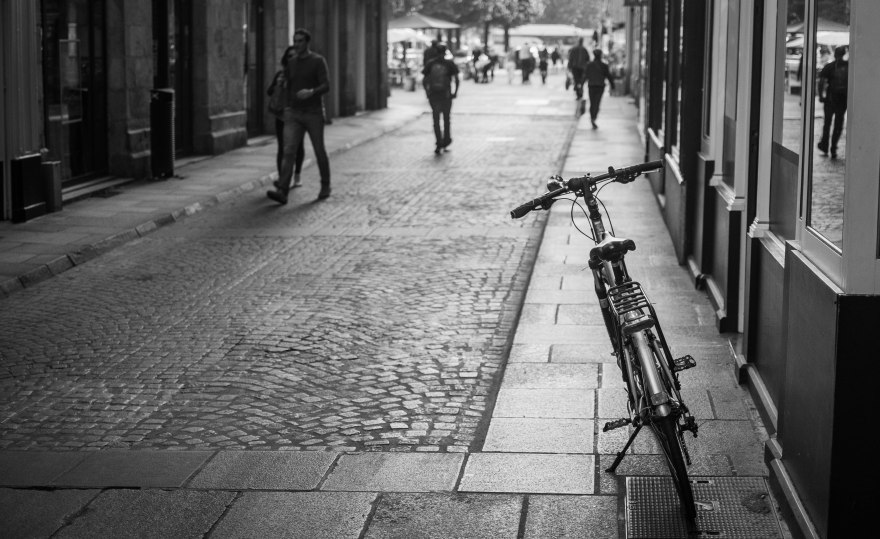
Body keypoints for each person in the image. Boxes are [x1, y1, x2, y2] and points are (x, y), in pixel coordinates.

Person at [267, 28, 331, 205]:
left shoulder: (318, 61)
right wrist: (284, 93)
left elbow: (326, 85)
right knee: (288, 151)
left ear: (307, 42)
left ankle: (325, 185)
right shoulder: (292, 63)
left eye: (300, 41)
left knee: (319, 150)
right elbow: (287, 87)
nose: (297, 44)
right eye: (295, 41)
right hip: (293, 113)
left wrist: (311, 92)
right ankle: (283, 191)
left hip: (313, 112)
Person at [267, 46, 305, 188]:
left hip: (298, 116)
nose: (292, 58)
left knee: (298, 147)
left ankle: (297, 175)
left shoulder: (304, 75)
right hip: (282, 116)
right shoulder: (280, 74)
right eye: (289, 56)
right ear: (286, 59)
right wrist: (278, 84)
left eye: (294, 56)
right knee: (282, 148)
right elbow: (269, 91)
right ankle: (282, 178)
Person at [421, 44, 459, 154]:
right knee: (447, 119)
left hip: (434, 95)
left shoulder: (430, 63)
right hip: (446, 95)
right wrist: (455, 92)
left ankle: (438, 142)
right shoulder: (449, 64)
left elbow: (424, 80)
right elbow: (456, 79)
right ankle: (446, 140)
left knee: (436, 120)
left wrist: (427, 92)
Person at [817, 45, 848, 159]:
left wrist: (821, 96)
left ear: (835, 55)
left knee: (827, 123)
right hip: (843, 100)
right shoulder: (849, 67)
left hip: (830, 99)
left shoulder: (829, 67)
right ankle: (833, 148)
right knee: (838, 124)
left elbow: (821, 83)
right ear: (844, 54)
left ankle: (824, 145)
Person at [584, 49, 615, 129]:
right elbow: (609, 76)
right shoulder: (603, 65)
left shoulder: (589, 65)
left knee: (592, 103)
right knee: (596, 103)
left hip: (592, 86)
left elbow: (585, 76)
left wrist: (581, 84)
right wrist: (613, 85)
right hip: (599, 86)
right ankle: (593, 118)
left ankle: (592, 117)